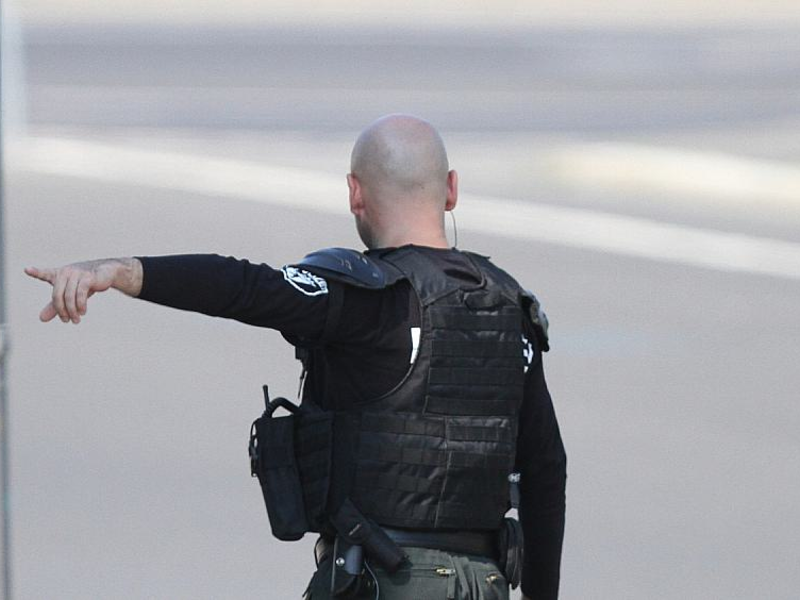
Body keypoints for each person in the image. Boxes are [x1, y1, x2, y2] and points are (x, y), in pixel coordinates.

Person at [25, 115, 566, 599]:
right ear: (451, 190)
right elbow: (544, 470)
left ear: (355, 193)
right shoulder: (509, 306)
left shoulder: (366, 298)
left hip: (386, 578)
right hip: (485, 583)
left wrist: (124, 272)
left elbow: (244, 286)